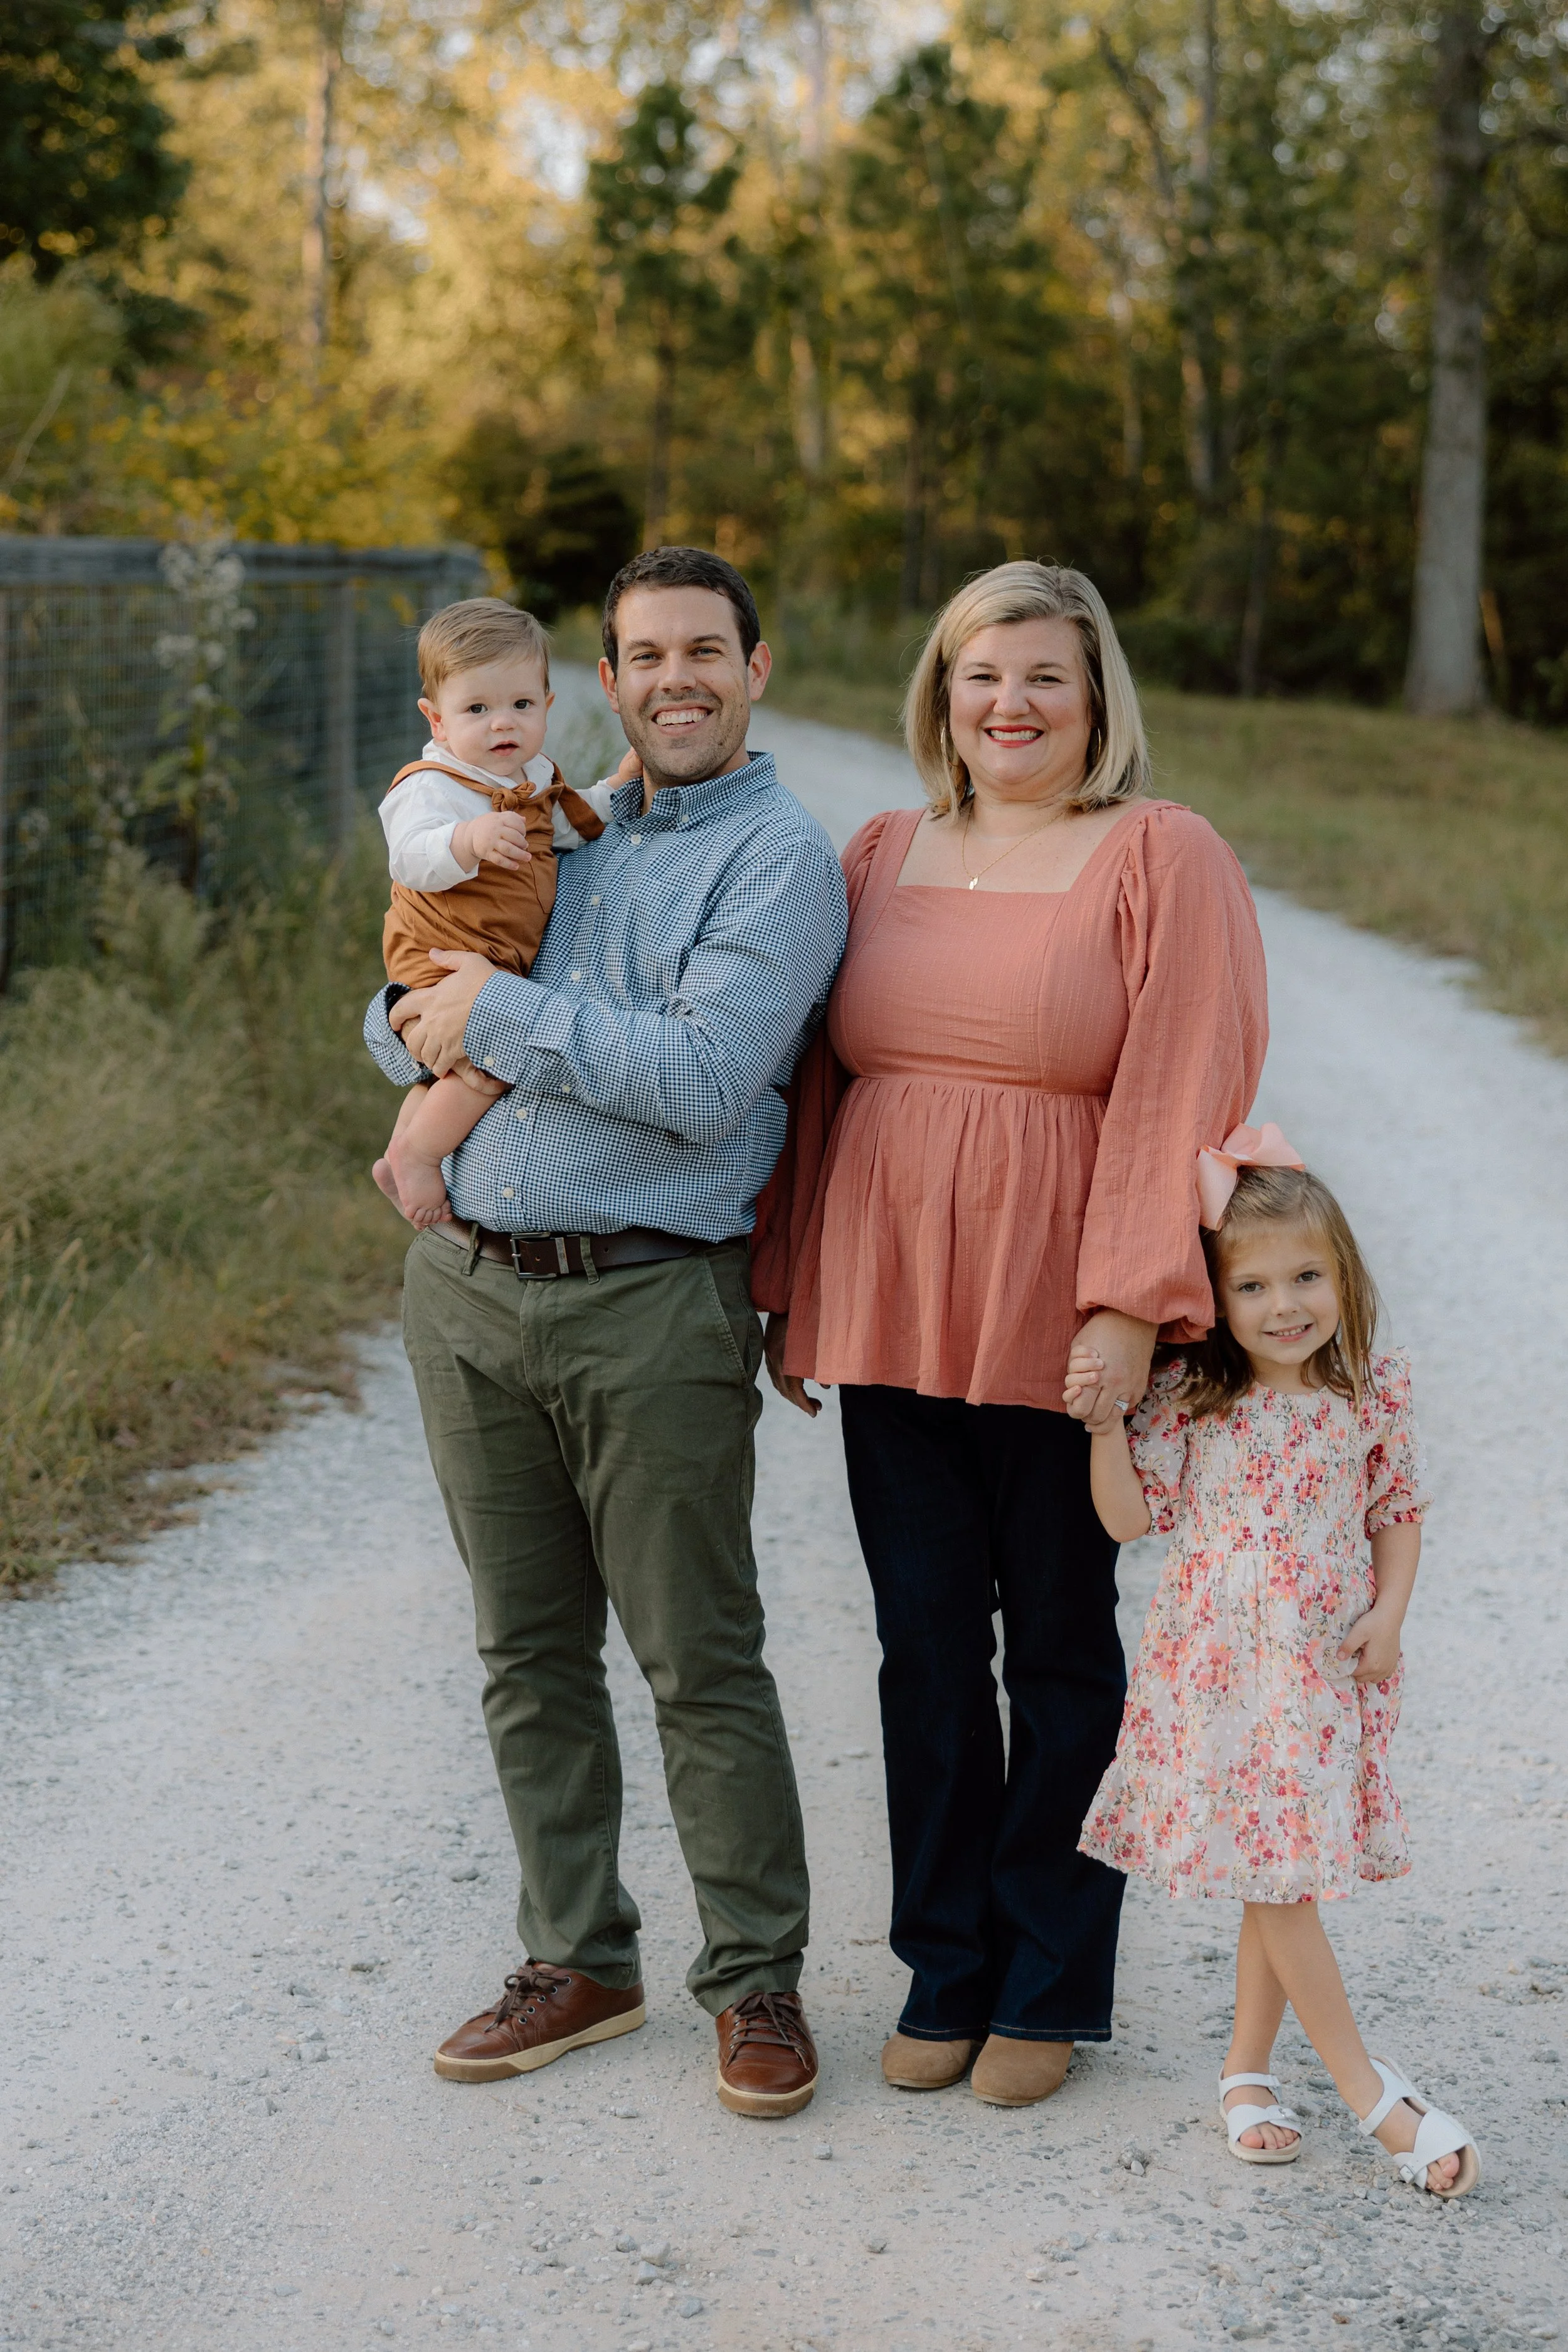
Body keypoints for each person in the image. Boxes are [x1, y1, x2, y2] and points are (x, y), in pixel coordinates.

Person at [751, 559, 1267, 2106]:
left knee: (1056, 1648)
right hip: (893, 1295)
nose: (1011, 704)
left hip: (1060, 1315)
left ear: (1096, 694)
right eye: (982, 676)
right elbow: (815, 1083)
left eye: (1044, 675)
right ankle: (944, 1962)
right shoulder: (878, 851)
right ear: (942, 694)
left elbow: (1188, 1079)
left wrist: (1128, 1302)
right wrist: (794, 1278)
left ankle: (1051, 1980)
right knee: (921, 1646)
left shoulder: (1158, 855)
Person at [363, 547, 849, 2117]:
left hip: (651, 1297)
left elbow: (707, 1075)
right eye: (646, 654)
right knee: (524, 1648)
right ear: (608, 673)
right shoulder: (552, 817)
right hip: (471, 1290)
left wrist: (481, 1021)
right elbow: (404, 1000)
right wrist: (413, 1017)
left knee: (697, 1655)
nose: (675, 678)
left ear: (755, 666)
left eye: (705, 649)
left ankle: (756, 1975)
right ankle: (577, 1954)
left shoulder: (776, 857)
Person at [1072, 1140, 1480, 2197]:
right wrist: (1106, 1424)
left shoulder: (1367, 1391)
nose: (1284, 1304)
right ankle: (1371, 2095)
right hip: (1219, 1675)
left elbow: (1398, 1513)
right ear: (1216, 1300)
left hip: (1321, 1673)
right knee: (1283, 1871)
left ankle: (1247, 2074)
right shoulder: (1195, 1398)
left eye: (1306, 1277)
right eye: (1251, 1285)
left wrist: (1390, 1614)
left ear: (1343, 1275)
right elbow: (1126, 1519)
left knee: (1281, 1868)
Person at [371, 598, 621, 1227]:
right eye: (477, 709)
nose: (501, 723)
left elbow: (568, 825)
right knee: (488, 1062)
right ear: (437, 720)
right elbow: (411, 857)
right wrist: (469, 841)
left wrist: (618, 795)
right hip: (442, 948)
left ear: (546, 704)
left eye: (520, 705)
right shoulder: (431, 784)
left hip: (491, 955)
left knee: (448, 1066)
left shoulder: (533, 778)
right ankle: (423, 1157)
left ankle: (399, 1150)